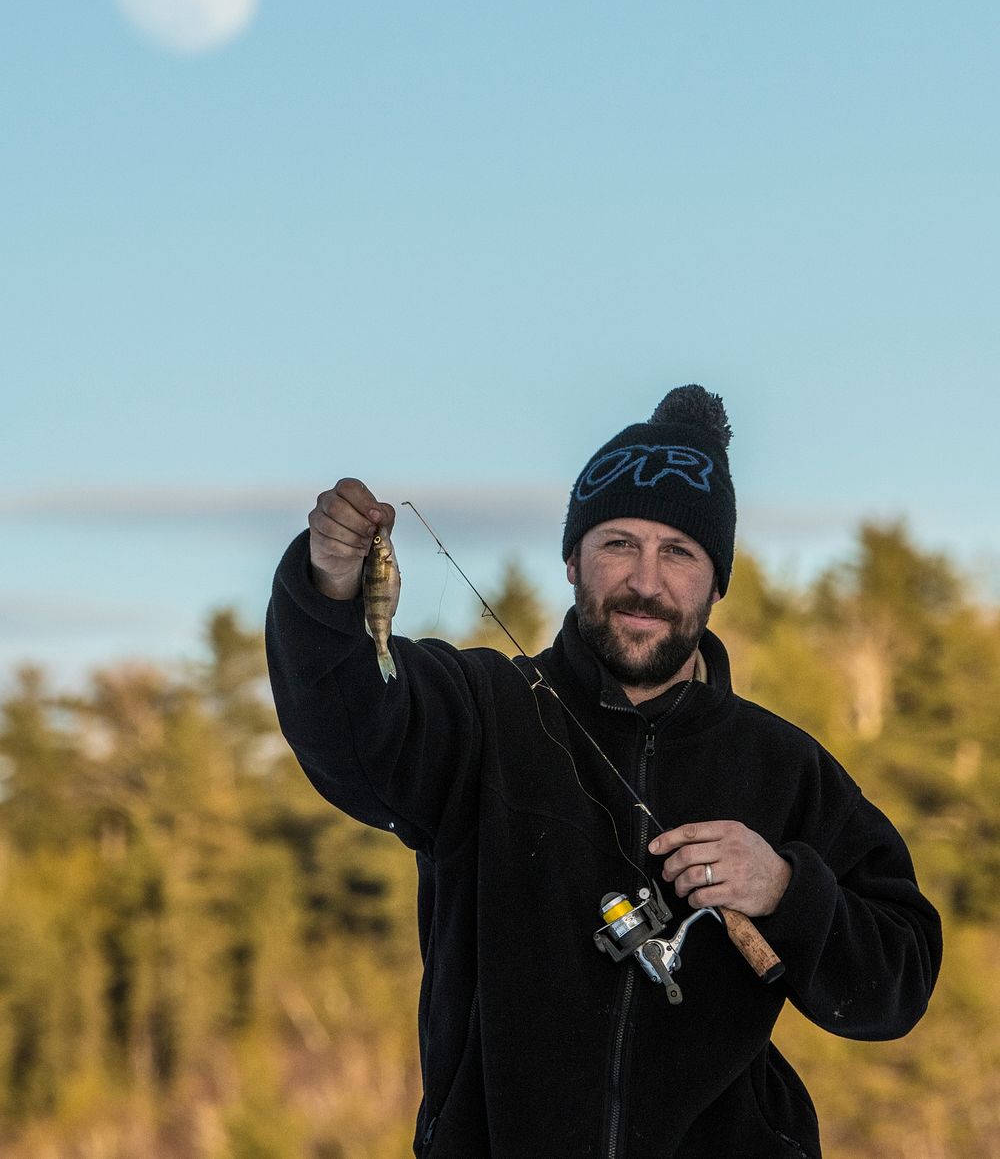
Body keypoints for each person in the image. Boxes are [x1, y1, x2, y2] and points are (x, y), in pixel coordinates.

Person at [266, 385, 942, 1159]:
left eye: (679, 553)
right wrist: (328, 583)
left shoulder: (785, 766)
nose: (645, 582)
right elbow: (344, 731)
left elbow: (898, 981)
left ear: (717, 582)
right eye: (619, 542)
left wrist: (787, 891)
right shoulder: (480, 711)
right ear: (572, 559)